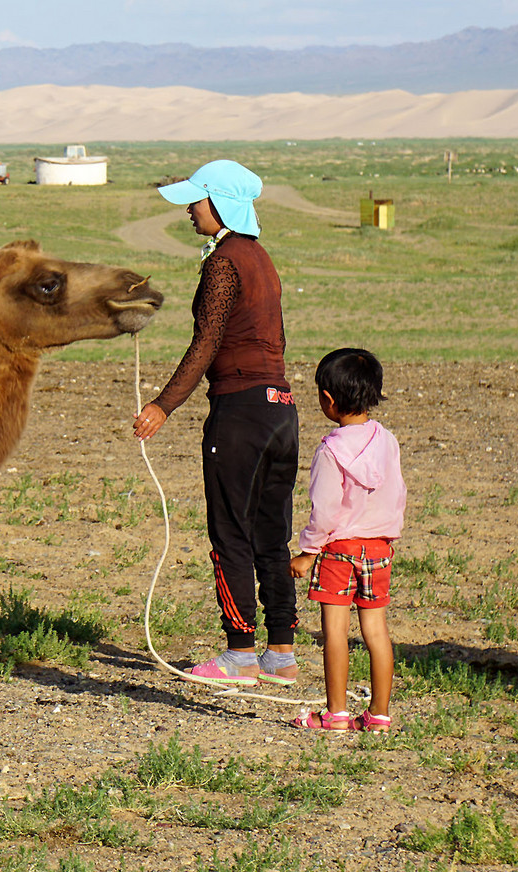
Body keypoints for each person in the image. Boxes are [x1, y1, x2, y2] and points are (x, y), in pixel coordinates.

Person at [131, 160, 299, 686]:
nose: (188, 209)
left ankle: (240, 653)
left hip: (241, 412)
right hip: (281, 409)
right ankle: (282, 652)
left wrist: (163, 405)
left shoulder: (224, 262)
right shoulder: (262, 259)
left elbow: (206, 342)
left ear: (221, 204)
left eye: (195, 200)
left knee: (231, 531)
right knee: (272, 532)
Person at [290, 348, 405, 732]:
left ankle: (336, 713)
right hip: (379, 549)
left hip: (338, 552)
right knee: (376, 632)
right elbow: (397, 494)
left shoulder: (330, 450)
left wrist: (307, 553)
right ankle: (380, 715)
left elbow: (324, 511)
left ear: (328, 399)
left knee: (335, 632)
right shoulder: (388, 441)